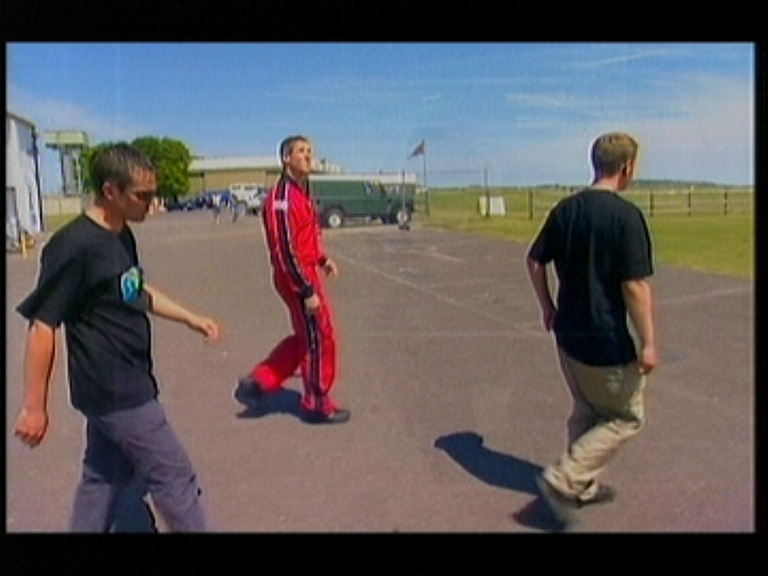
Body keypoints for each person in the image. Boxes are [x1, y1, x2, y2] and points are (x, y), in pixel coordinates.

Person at [13, 143, 221, 532]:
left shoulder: (121, 233)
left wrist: (190, 318)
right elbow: (43, 325)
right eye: (142, 195)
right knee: (174, 477)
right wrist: (34, 407)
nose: (151, 203)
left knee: (103, 478)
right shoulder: (74, 246)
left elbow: (133, 290)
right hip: (117, 390)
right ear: (110, 191)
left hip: (123, 380)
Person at [525, 132, 658, 529]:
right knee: (626, 416)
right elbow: (634, 286)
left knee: (587, 409)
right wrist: (649, 343)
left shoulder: (566, 210)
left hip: (568, 334)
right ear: (627, 167)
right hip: (605, 340)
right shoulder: (625, 217)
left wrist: (548, 307)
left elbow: (535, 260)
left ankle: (580, 488)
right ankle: (564, 479)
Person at [235, 135, 350, 424]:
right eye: (301, 151)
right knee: (319, 336)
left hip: (306, 269)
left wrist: (322, 259)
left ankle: (259, 381)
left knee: (306, 336)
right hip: (295, 276)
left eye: (310, 151)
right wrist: (306, 289)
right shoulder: (282, 198)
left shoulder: (301, 192)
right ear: (286, 158)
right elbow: (285, 249)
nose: (308, 156)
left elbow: (305, 236)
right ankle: (317, 403)